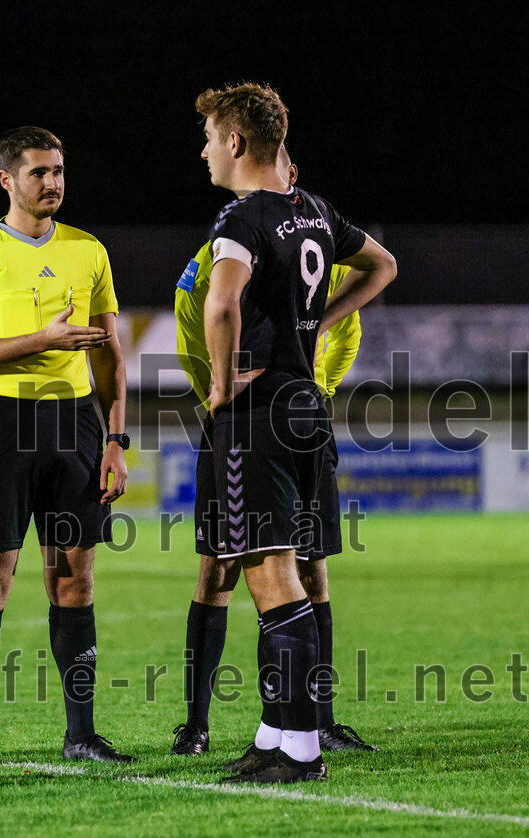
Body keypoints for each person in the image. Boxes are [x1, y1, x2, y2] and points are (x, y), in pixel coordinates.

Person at [194, 83, 396, 783]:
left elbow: (221, 302)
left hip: (261, 415)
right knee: (295, 578)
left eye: (211, 138)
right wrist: (323, 323)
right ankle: (275, 734)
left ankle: (302, 751)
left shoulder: (242, 218)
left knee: (272, 581)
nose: (205, 150)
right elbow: (384, 264)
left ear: (238, 144)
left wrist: (220, 387)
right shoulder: (314, 212)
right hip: (308, 407)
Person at [0, 126, 133, 769]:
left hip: (76, 426)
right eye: (37, 173)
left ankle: (82, 735)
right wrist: (42, 341)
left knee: (73, 581)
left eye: (58, 171)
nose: (51, 183)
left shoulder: (88, 250)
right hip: (2, 424)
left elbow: (109, 356)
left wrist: (116, 438)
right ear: (7, 180)